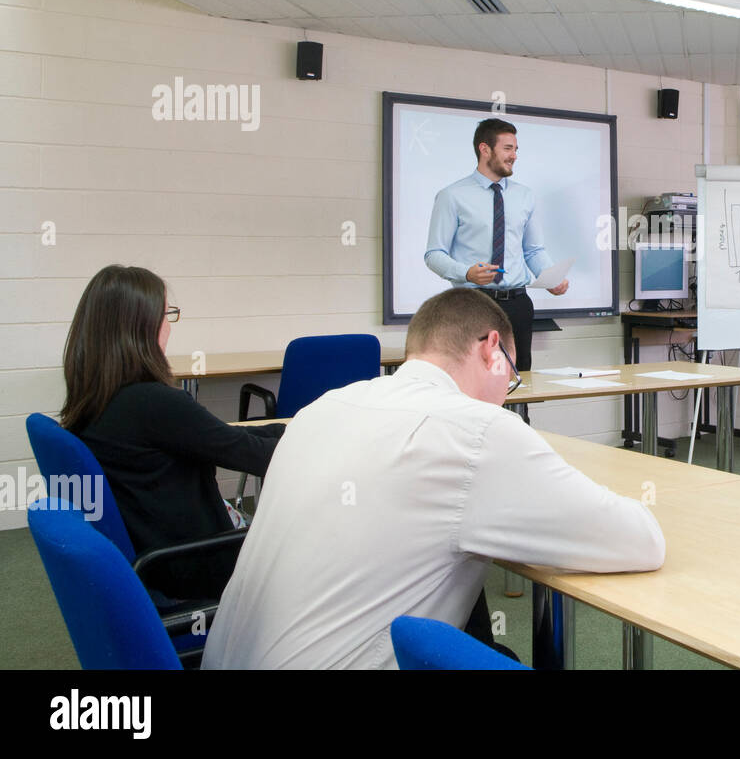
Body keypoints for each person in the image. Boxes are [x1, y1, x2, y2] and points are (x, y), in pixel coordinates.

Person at [201, 288, 665, 670]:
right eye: (512, 377)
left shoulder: (320, 409)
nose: (506, 395)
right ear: (491, 349)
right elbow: (640, 540)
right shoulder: (476, 430)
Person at [61, 265, 284, 601]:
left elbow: (220, 437)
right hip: (198, 565)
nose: (169, 326)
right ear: (143, 326)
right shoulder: (154, 403)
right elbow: (254, 456)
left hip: (156, 556)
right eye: (167, 314)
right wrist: (314, 435)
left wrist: (292, 427)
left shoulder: (97, 398)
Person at [424, 118, 567, 373]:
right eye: (507, 148)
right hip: (474, 304)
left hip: (518, 304)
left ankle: (520, 416)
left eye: (515, 149)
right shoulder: (452, 196)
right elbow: (434, 254)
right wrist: (466, 273)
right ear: (485, 149)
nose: (514, 156)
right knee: (477, 377)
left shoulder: (524, 196)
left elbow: (533, 250)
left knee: (519, 379)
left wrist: (550, 277)